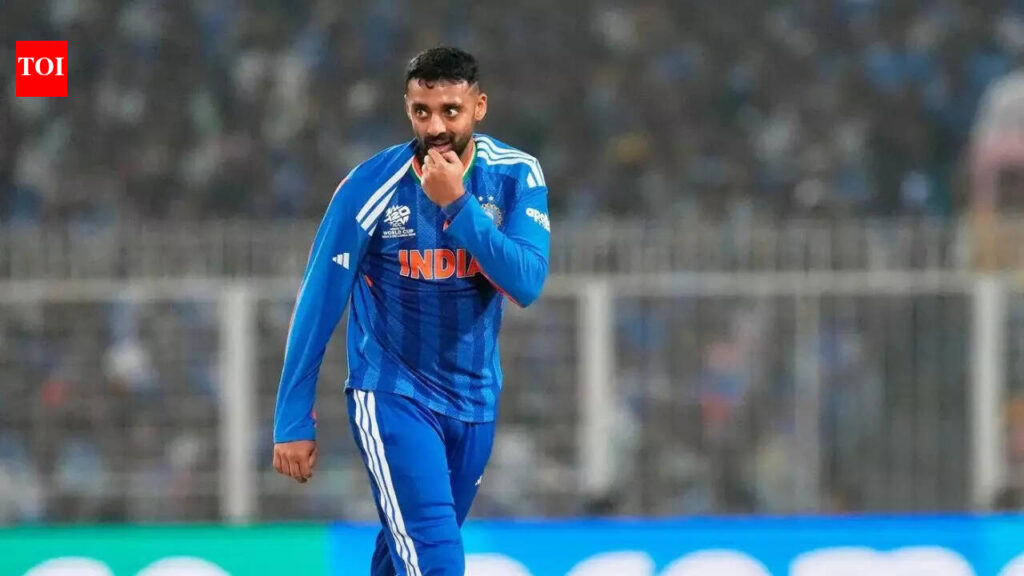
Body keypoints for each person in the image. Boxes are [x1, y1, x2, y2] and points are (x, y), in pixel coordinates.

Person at [272, 46, 550, 575]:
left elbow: (526, 282)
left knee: (406, 555)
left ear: (479, 107)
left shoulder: (516, 175)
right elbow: (318, 301)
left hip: (474, 403)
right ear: (408, 109)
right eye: (423, 111)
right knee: (436, 560)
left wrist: (457, 205)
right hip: (393, 395)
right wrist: (292, 417)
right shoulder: (368, 187)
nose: (436, 127)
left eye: (451, 111)